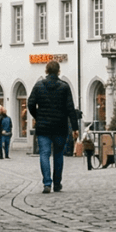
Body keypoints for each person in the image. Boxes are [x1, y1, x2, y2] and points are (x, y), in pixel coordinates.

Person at [28, 60, 77, 194]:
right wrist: (75, 127)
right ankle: (57, 183)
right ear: (58, 71)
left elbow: (30, 103)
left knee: (44, 153)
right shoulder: (64, 87)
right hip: (60, 126)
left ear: (46, 71)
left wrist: (38, 116)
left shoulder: (38, 86)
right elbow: (70, 108)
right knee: (58, 154)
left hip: (43, 127)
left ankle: (47, 183)